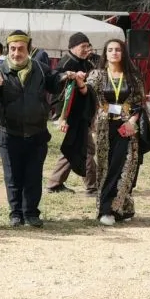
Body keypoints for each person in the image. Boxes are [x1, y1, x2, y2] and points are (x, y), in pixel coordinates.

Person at [63, 38, 150, 226]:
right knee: (107, 168)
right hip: (105, 128)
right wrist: (81, 83)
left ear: (123, 53)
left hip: (127, 127)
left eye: (118, 50)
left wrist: (132, 122)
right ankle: (105, 210)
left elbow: (139, 103)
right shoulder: (97, 75)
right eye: (110, 50)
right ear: (105, 53)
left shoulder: (132, 77)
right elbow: (87, 95)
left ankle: (120, 207)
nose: (114, 53)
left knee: (127, 166)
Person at [0, 31, 73, 228]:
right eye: (12, 49)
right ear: (8, 49)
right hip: (8, 133)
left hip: (36, 133)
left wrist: (65, 77)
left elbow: (54, 84)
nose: (16, 53)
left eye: (21, 49)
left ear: (28, 49)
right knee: (12, 176)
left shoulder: (40, 68)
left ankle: (31, 213)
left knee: (33, 175)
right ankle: (15, 213)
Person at [47, 33, 98, 195]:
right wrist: (63, 118)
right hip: (72, 114)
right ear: (72, 47)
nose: (86, 49)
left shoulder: (86, 62)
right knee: (87, 148)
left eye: (88, 46)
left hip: (83, 112)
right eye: (83, 46)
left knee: (73, 146)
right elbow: (59, 94)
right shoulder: (66, 64)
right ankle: (93, 186)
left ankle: (55, 183)